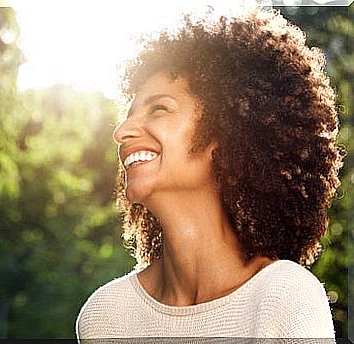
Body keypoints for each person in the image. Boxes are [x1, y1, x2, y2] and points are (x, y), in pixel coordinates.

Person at [76, 7, 342, 341]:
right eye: (129, 115)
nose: (122, 130)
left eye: (159, 109)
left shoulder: (284, 298)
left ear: (225, 133)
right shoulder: (106, 315)